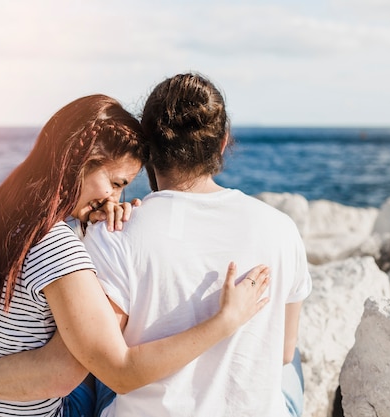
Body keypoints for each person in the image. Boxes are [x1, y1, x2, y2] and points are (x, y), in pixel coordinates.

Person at [0, 93, 270, 417]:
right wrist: (225, 321)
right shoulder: (56, 245)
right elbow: (104, 373)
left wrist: (93, 230)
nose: (114, 199)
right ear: (80, 160)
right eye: (117, 183)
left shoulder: (4, 212)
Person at [81, 72, 313, 416]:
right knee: (291, 365)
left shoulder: (117, 232)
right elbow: (282, 352)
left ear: (147, 150)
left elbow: (109, 366)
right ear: (222, 143)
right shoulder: (282, 228)